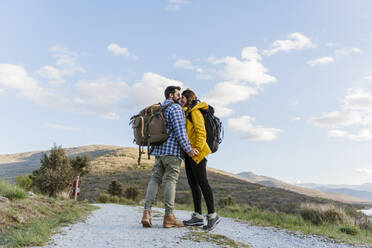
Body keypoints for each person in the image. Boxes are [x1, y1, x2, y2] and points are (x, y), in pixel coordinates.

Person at [141, 86, 199, 228]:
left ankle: (146, 213)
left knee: (155, 179)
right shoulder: (175, 108)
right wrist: (189, 150)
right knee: (171, 181)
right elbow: (180, 132)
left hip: (158, 150)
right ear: (171, 95)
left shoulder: (159, 108)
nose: (180, 97)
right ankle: (169, 217)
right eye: (178, 94)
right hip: (172, 151)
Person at [180, 89, 221, 230]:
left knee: (203, 183)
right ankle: (197, 217)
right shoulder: (186, 113)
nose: (180, 99)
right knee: (193, 184)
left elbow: (201, 132)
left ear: (188, 98)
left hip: (197, 153)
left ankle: (212, 216)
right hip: (189, 153)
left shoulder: (195, 112)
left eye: (183, 98)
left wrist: (196, 149)